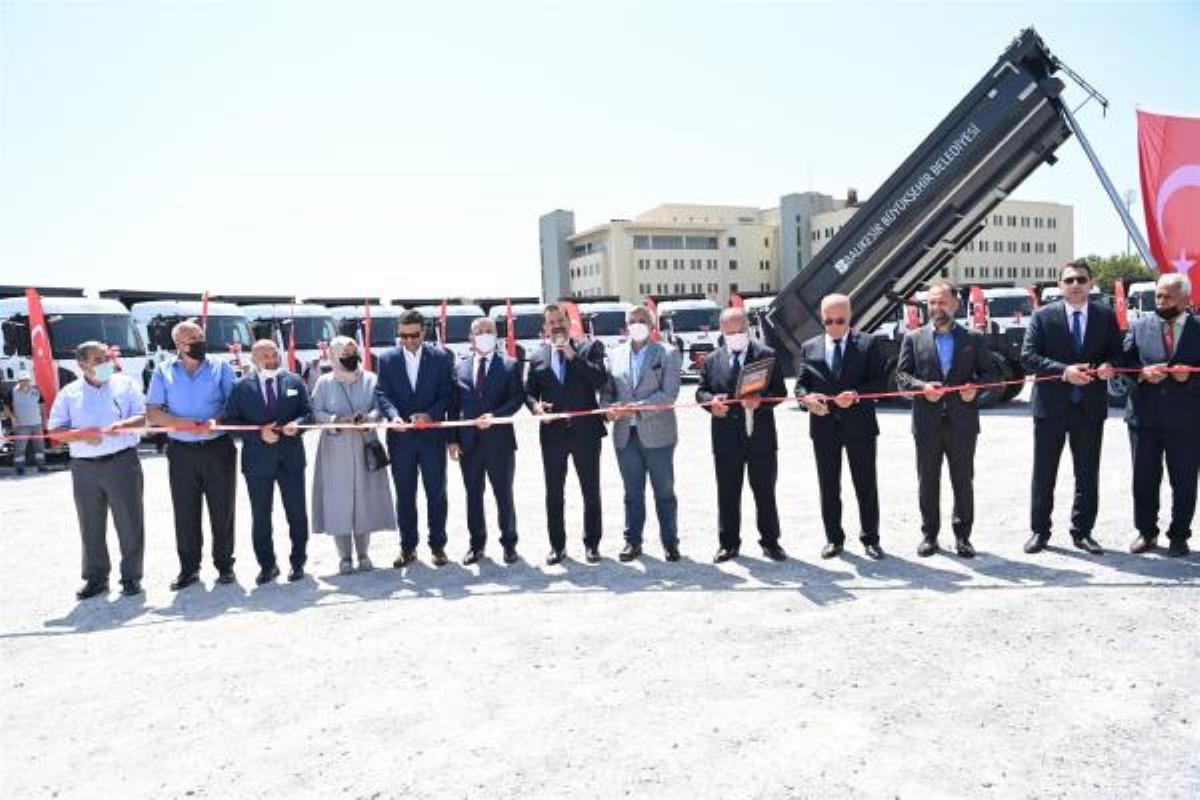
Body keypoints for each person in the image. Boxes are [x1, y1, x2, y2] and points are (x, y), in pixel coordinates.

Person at [1020, 259, 1122, 555]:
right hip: (1050, 408)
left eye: (1081, 279)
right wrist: (1064, 371)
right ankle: (1040, 531)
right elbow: (1028, 356)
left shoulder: (1104, 316)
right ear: (1059, 286)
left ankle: (1083, 531)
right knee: (1044, 473)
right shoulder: (1043, 316)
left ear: (1091, 283)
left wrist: (1110, 365)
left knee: (1087, 474)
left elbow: (1119, 353)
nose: (1075, 285)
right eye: (1069, 280)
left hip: (1089, 408)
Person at [895, 281, 1001, 558]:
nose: (936, 307)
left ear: (955, 304)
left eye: (942, 302)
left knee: (962, 480)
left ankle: (963, 537)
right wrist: (922, 388)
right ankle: (929, 535)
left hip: (962, 423)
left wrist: (975, 389)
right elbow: (902, 377)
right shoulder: (913, 338)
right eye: (931, 302)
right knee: (927, 481)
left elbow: (991, 375)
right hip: (926, 423)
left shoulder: (973, 339)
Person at [46, 342, 147, 599]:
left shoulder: (125, 384)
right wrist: (80, 435)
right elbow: (55, 430)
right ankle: (96, 578)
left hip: (122, 462)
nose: (106, 364)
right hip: (85, 468)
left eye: (106, 358)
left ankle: (131, 577)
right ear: (82, 365)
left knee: (130, 522)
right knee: (90, 524)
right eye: (98, 360)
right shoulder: (69, 393)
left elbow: (144, 416)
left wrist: (125, 424)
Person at [146, 320, 239, 590]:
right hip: (181, 451)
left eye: (201, 336)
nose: (200, 342)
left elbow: (234, 404)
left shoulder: (220, 367)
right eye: (193, 338)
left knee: (222, 511)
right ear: (179, 344)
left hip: (217, 448)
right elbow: (153, 412)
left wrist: (216, 420)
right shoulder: (163, 370)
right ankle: (189, 569)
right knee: (185, 512)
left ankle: (225, 566)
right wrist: (182, 423)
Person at [794, 293, 888, 560]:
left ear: (850, 317)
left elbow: (880, 383)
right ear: (821, 318)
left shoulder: (868, 344)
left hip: (860, 426)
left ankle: (871, 539)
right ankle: (834, 539)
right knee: (828, 486)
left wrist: (856, 395)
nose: (834, 326)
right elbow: (801, 386)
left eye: (840, 321)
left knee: (865, 485)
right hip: (824, 427)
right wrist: (806, 400)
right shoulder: (809, 347)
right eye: (828, 321)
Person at [696, 307, 788, 563]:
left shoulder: (766, 354)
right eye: (729, 332)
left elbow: (780, 391)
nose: (735, 336)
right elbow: (701, 391)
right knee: (727, 492)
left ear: (747, 328)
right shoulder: (712, 359)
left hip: (760, 436)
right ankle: (728, 544)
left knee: (765, 491)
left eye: (739, 331)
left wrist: (762, 400)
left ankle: (771, 542)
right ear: (722, 331)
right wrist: (711, 402)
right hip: (725, 437)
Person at [1119, 273, 1199, 557]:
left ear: (1185, 299)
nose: (1161, 301)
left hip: (1187, 421)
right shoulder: (1140, 326)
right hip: (1144, 419)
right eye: (1158, 296)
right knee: (1143, 480)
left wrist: (1190, 378)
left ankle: (1179, 535)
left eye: (1168, 296)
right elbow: (1124, 364)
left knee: (1184, 481)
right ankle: (1146, 532)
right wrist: (1141, 374)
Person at [525, 303, 609, 565]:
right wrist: (536, 408)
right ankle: (557, 546)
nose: (556, 326)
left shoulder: (589, 348)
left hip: (586, 433)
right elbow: (529, 393)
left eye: (560, 320)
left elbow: (600, 380)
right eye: (551, 322)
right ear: (545, 327)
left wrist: (573, 356)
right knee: (554, 493)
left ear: (568, 322)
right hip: (553, 435)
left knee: (590, 491)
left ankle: (592, 544)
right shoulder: (537, 357)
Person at [223, 340, 312, 585]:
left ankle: (298, 562)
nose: (272, 360)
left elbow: (308, 413)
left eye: (274, 355)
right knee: (261, 516)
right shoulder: (240, 387)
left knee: (297, 514)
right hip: (257, 462)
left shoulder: (294, 381)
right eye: (266, 356)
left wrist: (298, 425)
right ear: (253, 360)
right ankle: (267, 565)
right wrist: (258, 433)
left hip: (291, 460)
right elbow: (230, 423)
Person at [600, 304, 682, 562]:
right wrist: (608, 409)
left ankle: (670, 542)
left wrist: (635, 409)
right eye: (633, 320)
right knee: (632, 493)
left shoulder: (668, 353)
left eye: (642, 320)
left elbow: (669, 394)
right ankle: (632, 542)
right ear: (626, 326)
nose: (637, 324)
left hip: (659, 435)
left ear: (652, 324)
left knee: (664, 492)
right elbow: (607, 392)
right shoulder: (614, 355)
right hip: (625, 436)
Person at [310, 336, 396, 573]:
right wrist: (336, 420)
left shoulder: (371, 378)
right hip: (334, 450)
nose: (351, 357)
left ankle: (364, 553)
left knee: (364, 500)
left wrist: (368, 419)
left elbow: (380, 407)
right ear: (334, 356)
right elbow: (316, 411)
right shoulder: (324, 382)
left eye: (353, 352)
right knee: (338, 501)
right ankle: (344, 557)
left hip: (365, 445)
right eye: (345, 354)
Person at [375, 309, 454, 567]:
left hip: (432, 438)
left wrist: (430, 415)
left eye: (414, 335)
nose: (409, 340)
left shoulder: (441, 358)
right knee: (405, 495)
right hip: (401, 440)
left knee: (436, 493)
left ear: (423, 332)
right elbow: (382, 394)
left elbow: (447, 394)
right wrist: (394, 416)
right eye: (404, 336)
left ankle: (438, 546)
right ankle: (408, 548)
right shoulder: (387, 359)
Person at [447, 318, 525, 565]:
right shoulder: (459, 367)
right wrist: (452, 439)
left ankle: (509, 544)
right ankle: (476, 544)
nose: (484, 335)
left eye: (489, 331)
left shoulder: (510, 365)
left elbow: (517, 399)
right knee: (473, 496)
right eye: (479, 331)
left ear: (496, 335)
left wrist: (496, 416)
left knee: (504, 495)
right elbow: (453, 406)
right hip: (468, 444)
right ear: (470, 338)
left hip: (500, 443)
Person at [5, 371, 48, 475]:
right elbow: (6, 407)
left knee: (39, 447)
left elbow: (42, 405)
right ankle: (19, 468)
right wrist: (13, 418)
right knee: (20, 448)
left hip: (37, 424)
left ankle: (41, 466)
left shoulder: (36, 391)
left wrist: (44, 420)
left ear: (30, 381)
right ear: (18, 381)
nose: (25, 383)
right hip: (21, 425)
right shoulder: (12, 392)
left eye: (27, 380)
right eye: (22, 381)